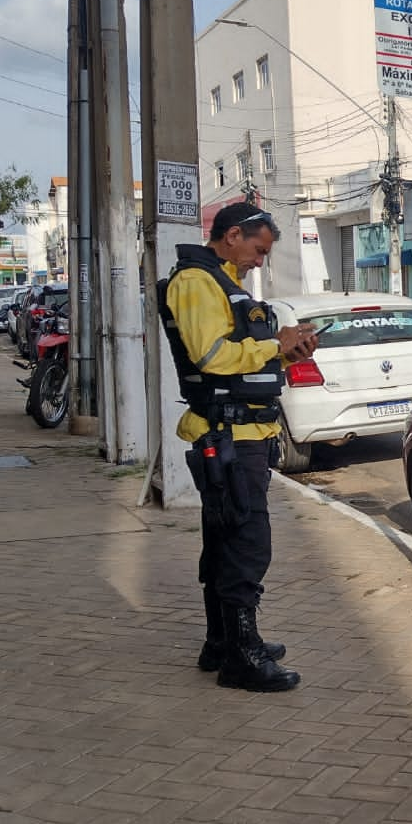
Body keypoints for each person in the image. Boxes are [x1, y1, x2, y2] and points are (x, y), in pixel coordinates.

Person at [157, 201, 320, 692]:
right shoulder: (197, 282)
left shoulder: (221, 281)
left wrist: (288, 351)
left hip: (243, 433)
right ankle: (242, 658)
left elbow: (244, 365)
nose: (260, 261)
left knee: (227, 539)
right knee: (247, 545)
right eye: (259, 249)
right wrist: (276, 344)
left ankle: (222, 643)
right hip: (229, 437)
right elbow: (212, 357)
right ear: (232, 235)